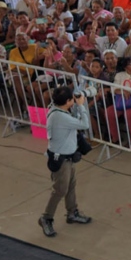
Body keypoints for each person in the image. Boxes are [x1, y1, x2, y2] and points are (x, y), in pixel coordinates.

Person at [39, 86, 93, 238]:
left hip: (66, 157)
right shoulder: (60, 116)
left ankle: (72, 212)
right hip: (61, 160)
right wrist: (81, 105)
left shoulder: (58, 111)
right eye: (72, 99)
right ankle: (46, 218)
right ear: (69, 101)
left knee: (70, 186)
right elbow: (84, 125)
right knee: (60, 190)